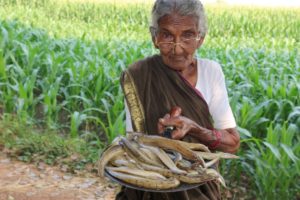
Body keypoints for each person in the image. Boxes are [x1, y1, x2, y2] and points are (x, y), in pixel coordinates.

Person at [117, 0, 240, 199]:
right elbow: (135, 144)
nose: (177, 48)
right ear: (154, 37)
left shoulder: (211, 72)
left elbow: (232, 143)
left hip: (198, 190)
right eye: (167, 35)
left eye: (188, 35)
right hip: (150, 187)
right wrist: (157, 142)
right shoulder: (138, 75)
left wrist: (195, 129)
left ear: (201, 38)